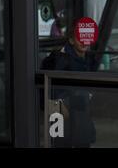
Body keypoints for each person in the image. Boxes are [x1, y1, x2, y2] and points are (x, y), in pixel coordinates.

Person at [41, 19, 99, 148]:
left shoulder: (88, 58)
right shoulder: (61, 59)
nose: (84, 42)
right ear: (72, 40)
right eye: (80, 38)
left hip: (77, 111)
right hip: (64, 111)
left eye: (86, 37)